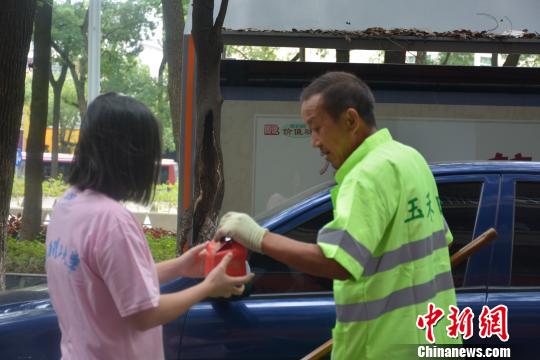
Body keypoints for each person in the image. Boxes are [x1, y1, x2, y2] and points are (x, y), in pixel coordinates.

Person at [214, 72, 461, 359]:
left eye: (317, 128)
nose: (314, 142)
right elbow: (441, 241)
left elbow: (338, 261)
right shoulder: (410, 160)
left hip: (382, 348)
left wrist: (258, 237)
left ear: (350, 120)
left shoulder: (366, 176)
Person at [45, 93, 253, 360]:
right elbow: (143, 314)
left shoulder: (67, 205)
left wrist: (181, 267)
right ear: (129, 155)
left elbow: (113, 281)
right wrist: (207, 287)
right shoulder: (112, 221)